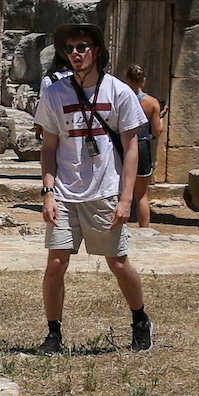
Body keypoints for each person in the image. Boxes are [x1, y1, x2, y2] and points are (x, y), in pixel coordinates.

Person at [34, 23, 153, 355]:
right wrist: (48, 192)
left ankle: (140, 319)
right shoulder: (54, 93)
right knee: (56, 263)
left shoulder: (118, 91)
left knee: (117, 263)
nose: (75, 53)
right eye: (69, 48)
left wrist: (126, 199)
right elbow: (48, 147)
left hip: (105, 191)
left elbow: (131, 147)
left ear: (97, 50)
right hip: (66, 193)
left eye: (82, 47)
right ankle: (54, 334)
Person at [121, 64, 167, 229]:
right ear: (144, 80)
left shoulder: (120, 97)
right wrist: (161, 117)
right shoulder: (152, 102)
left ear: (127, 79)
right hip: (141, 145)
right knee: (141, 195)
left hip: (122, 145)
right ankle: (144, 230)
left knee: (118, 192)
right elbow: (157, 131)